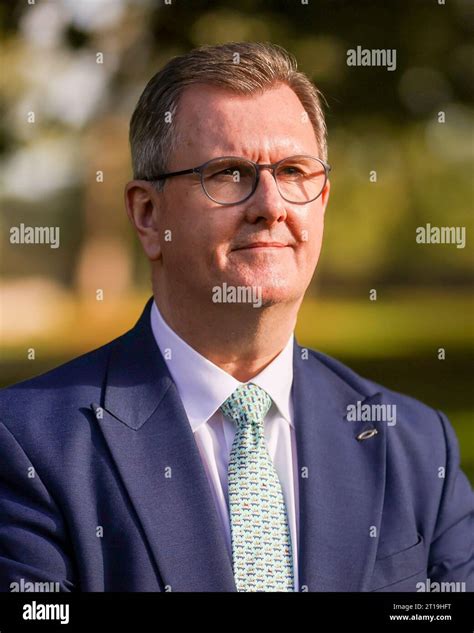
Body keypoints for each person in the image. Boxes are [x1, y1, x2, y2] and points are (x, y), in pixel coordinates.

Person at [0, 42, 472, 593]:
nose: (270, 205)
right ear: (148, 215)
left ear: (321, 203)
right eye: (228, 173)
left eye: (294, 171)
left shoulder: (416, 446)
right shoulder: (28, 445)